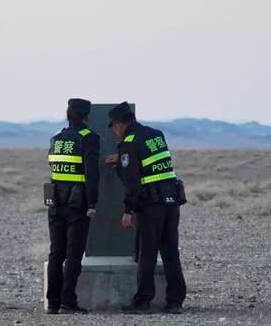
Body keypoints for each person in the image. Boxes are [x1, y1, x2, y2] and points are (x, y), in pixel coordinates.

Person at [105, 102, 187, 314]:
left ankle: (142, 301)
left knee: (146, 253)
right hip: (171, 201)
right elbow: (149, 163)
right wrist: (122, 160)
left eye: (114, 127)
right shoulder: (155, 134)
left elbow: (132, 182)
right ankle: (175, 301)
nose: (115, 132)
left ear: (118, 125)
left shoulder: (128, 143)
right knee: (170, 252)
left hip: (151, 206)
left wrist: (127, 210)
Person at [45, 98, 100, 314]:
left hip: (55, 201)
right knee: (73, 254)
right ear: (87, 116)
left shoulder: (57, 137)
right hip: (78, 204)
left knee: (56, 253)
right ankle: (68, 302)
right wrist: (92, 203)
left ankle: (53, 303)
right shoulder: (89, 138)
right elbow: (92, 175)